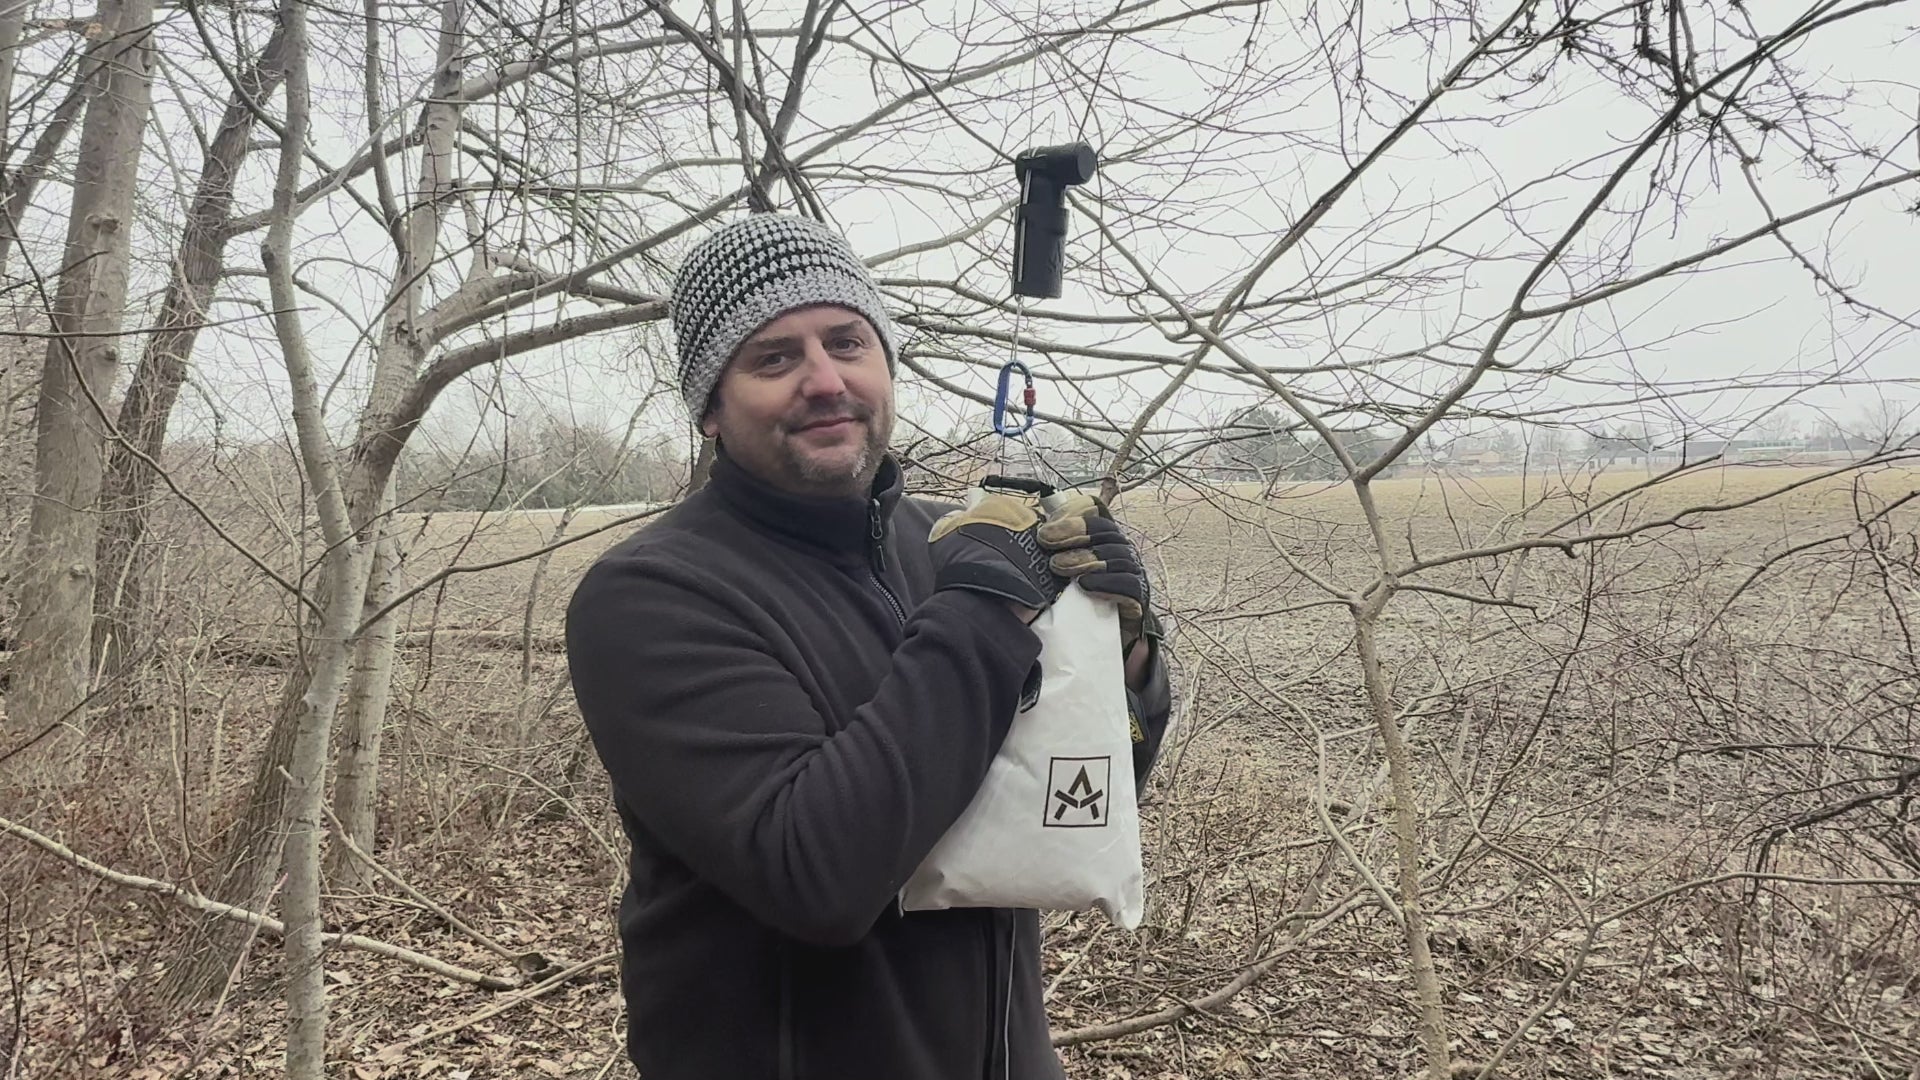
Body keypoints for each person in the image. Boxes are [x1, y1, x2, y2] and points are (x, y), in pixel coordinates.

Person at [564, 213, 1174, 1080]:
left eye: (847, 342)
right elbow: (815, 875)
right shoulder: (652, 595)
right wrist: (983, 612)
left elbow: (1069, 805)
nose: (824, 380)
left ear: (886, 365)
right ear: (710, 408)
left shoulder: (949, 542)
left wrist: (1124, 656)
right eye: (773, 358)